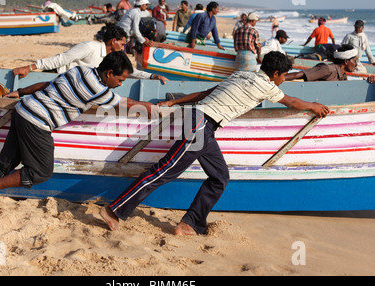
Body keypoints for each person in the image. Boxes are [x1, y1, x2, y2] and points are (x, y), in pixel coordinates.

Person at [100, 51, 330, 235]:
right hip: (200, 123)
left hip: (203, 125)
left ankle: (189, 224)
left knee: (220, 177)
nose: (282, 81)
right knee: (165, 170)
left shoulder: (241, 74)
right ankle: (114, 210)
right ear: (276, 73)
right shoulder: (267, 86)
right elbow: (291, 101)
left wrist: (176, 102)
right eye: (283, 77)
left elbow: (206, 92)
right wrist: (314, 106)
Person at [0, 52, 159, 215]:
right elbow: (128, 104)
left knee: (4, 163)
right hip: (37, 120)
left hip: (23, 109)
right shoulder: (99, 90)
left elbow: (46, 85)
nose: (119, 84)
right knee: (41, 172)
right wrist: (150, 107)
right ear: (109, 73)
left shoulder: (78, 70)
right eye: (120, 80)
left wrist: (20, 92)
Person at [12, 24, 167, 83]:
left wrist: (152, 76)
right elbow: (61, 59)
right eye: (122, 44)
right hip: (56, 76)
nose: (123, 48)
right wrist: (31, 67)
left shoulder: (115, 58)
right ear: (113, 41)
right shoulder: (89, 47)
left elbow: (129, 72)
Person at [285, 45, 360, 81]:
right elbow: (300, 74)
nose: (356, 64)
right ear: (346, 61)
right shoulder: (328, 69)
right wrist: (278, 79)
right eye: (355, 60)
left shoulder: (343, 76)